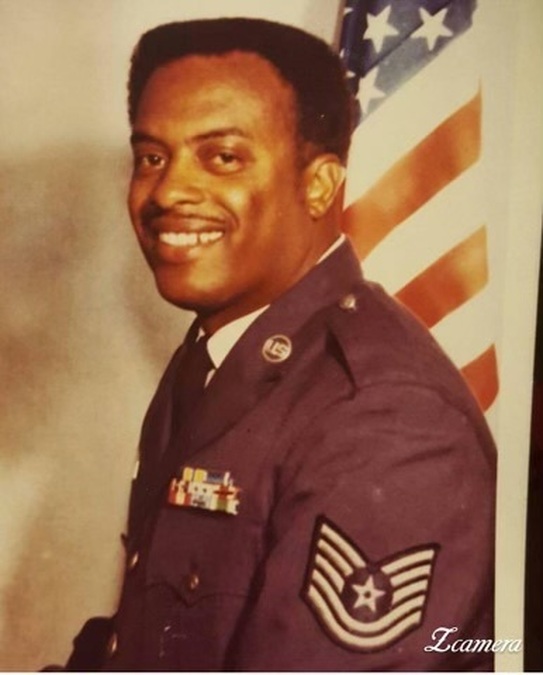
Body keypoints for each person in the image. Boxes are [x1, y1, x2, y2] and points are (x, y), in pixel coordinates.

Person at [62, 17, 496, 671]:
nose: (168, 190)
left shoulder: (384, 418)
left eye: (222, 157)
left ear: (318, 186)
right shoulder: (218, 354)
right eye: (152, 157)